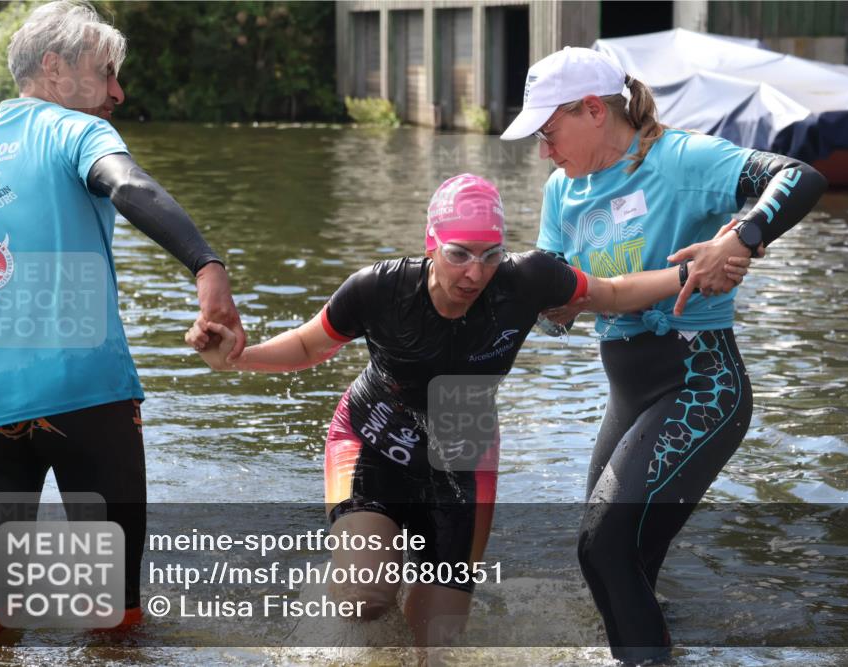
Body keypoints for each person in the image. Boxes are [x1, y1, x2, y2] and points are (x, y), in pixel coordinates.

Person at [186, 173, 750, 646]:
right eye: (458, 255)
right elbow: (310, 346)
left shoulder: (529, 280)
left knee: (441, 642)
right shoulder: (378, 289)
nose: (474, 274)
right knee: (365, 599)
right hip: (372, 438)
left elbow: (612, 292)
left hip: (463, 442)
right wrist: (235, 360)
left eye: (489, 255)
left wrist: (689, 273)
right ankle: (359, 569)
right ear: (432, 242)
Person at [500, 46, 828, 664]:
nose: (544, 150)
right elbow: (557, 300)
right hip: (629, 391)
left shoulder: (680, 159)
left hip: (701, 384)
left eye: (549, 132)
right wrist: (555, 309)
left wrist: (741, 236)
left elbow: (799, 176)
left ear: (593, 110)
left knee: (603, 548)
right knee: (622, 560)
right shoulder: (559, 191)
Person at [0, 0, 244, 648]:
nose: (118, 91)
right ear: (55, 70)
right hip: (90, 401)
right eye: (106, 72)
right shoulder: (72, 131)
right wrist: (206, 266)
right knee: (112, 625)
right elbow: (128, 185)